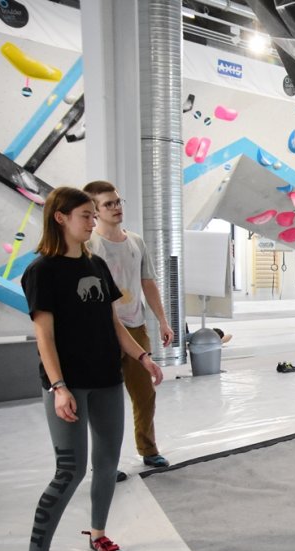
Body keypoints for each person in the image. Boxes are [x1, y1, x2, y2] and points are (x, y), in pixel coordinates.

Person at [18, 186, 164, 551]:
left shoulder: (96, 264)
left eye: (92, 215)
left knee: (106, 465)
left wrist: (143, 358)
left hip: (106, 380)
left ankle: (98, 533)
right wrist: (59, 387)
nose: (92, 221)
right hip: (69, 385)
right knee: (69, 472)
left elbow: (114, 323)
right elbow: (43, 336)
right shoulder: (42, 271)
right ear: (61, 218)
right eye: (85, 215)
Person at [84, 180, 172, 471]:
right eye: (108, 203)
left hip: (135, 326)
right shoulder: (89, 246)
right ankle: (104, 462)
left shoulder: (136, 241)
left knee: (145, 394)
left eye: (118, 201)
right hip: (101, 332)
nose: (116, 207)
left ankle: (149, 449)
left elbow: (148, 282)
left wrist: (162, 320)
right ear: (95, 211)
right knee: (105, 402)